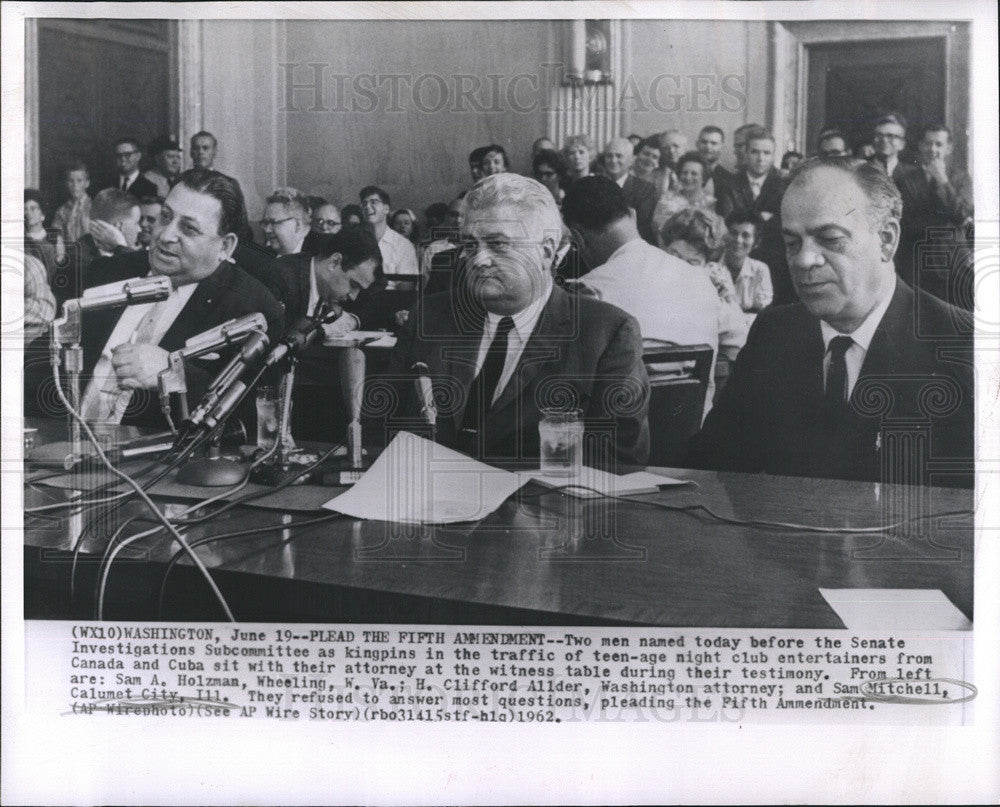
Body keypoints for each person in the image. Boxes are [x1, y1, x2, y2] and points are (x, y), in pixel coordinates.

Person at [687, 157, 973, 487]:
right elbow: (707, 468)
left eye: (830, 238)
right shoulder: (774, 334)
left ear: (886, 240)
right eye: (792, 242)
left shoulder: (964, 346)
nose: (804, 260)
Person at [389, 173, 650, 467]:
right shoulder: (430, 317)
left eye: (498, 245)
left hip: (542, 507)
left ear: (547, 250)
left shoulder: (605, 334)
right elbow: (387, 429)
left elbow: (619, 461)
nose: (478, 260)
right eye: (470, 246)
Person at [68, 169, 284, 430]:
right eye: (166, 217)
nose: (165, 235)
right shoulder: (107, 272)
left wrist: (175, 376)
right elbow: (40, 369)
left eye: (189, 228)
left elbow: (254, 420)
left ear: (225, 246)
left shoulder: (253, 309)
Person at [563, 176, 723, 418]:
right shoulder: (700, 278)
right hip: (693, 439)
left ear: (578, 238)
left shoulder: (589, 291)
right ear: (634, 215)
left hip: (622, 446)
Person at [660, 208, 750, 394]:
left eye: (691, 263)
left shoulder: (714, 299)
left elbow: (742, 342)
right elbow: (740, 343)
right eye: (674, 256)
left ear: (707, 266)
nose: (680, 268)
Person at [895, 123, 974, 308]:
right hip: (918, 263)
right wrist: (947, 222)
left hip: (955, 262)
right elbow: (907, 222)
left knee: (957, 317)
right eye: (928, 144)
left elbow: (962, 214)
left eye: (938, 144)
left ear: (948, 148)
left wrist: (943, 182)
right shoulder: (906, 180)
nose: (933, 150)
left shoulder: (961, 178)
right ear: (920, 146)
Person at [600, 137, 658, 244]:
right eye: (609, 156)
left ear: (631, 160)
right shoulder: (597, 186)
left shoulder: (645, 189)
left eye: (619, 156)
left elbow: (642, 227)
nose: (613, 160)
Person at [650, 151, 716, 242]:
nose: (688, 177)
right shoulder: (667, 200)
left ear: (704, 177)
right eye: (684, 173)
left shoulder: (712, 203)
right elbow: (660, 234)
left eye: (694, 174)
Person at [360, 185, 419, 276]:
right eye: (364, 203)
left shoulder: (403, 245)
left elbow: (407, 286)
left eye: (373, 202)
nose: (367, 207)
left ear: (386, 209)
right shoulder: (355, 241)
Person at [721, 211, 773, 313]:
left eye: (746, 235)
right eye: (733, 233)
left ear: (756, 242)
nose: (738, 240)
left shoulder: (760, 270)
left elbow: (763, 312)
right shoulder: (710, 266)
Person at [23, 189, 64, 283]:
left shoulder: (54, 237)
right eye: (25, 209)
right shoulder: (22, 240)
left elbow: (60, 265)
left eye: (33, 208)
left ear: (42, 214)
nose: (28, 213)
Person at [869, 113, 918, 186]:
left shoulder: (914, 174)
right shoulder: (860, 169)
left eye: (890, 136)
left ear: (902, 144)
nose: (884, 140)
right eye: (879, 135)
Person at [261, 187, 311, 256]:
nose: (267, 230)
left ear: (297, 225)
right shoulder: (264, 255)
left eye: (274, 223)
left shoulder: (317, 258)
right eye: (266, 223)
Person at [51, 160, 92, 244]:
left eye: (79, 181)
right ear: (66, 183)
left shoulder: (94, 206)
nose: (75, 185)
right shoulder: (62, 211)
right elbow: (56, 235)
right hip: (69, 253)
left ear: (87, 183)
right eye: (71, 181)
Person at [695, 125, 734, 200]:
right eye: (704, 142)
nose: (708, 147)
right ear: (697, 144)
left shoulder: (729, 180)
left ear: (722, 147)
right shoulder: (685, 173)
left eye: (713, 143)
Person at [143, 135, 184, 199]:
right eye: (170, 156)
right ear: (157, 159)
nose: (175, 161)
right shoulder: (146, 182)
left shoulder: (174, 180)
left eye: (178, 157)